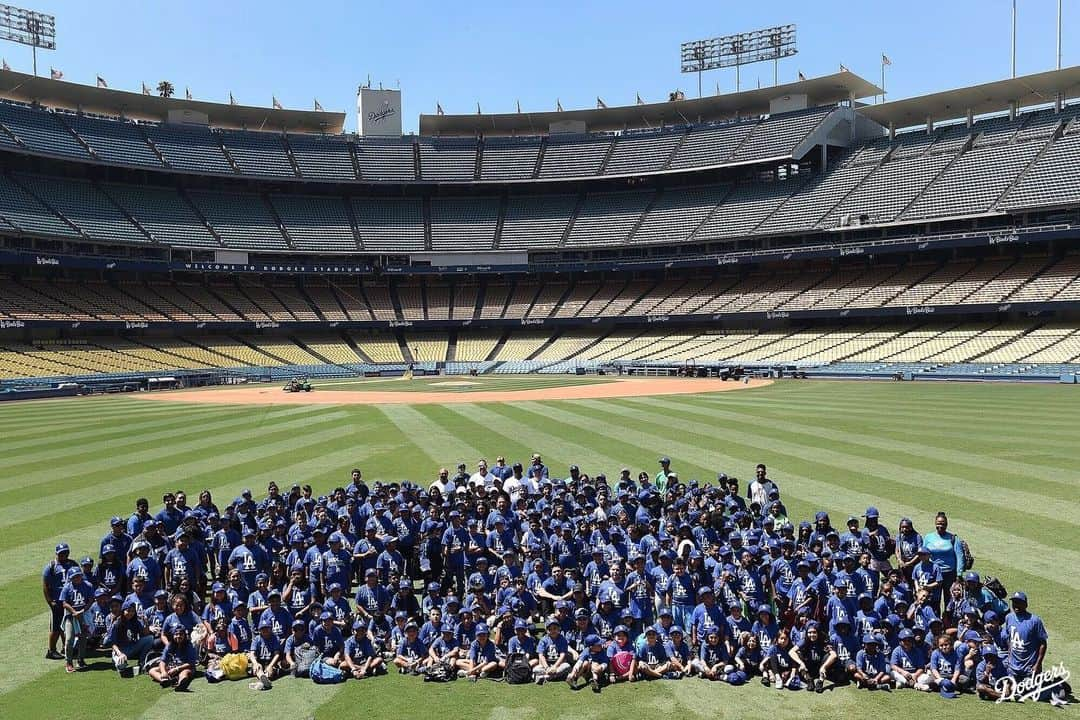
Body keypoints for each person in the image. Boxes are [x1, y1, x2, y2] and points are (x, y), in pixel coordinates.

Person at [921, 513, 965, 614]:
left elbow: (960, 557)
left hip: (949, 574)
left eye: (943, 524)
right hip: (934, 573)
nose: (941, 526)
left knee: (949, 599)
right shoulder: (928, 537)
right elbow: (923, 554)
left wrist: (959, 575)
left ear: (947, 524)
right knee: (934, 599)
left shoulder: (953, 538)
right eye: (938, 523)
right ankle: (935, 621)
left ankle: (948, 621)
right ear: (935, 523)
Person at [43, 542, 75, 660]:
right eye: (61, 553)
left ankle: (65, 647)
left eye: (66, 553)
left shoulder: (72, 564)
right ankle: (51, 650)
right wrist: (50, 602)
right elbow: (45, 586)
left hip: (69, 601)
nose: (64, 555)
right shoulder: (51, 566)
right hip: (57, 602)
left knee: (67, 625)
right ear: (57, 554)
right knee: (55, 628)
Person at [59, 566, 95, 672]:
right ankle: (69, 662)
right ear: (70, 578)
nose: (77, 578)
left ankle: (81, 659)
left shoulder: (88, 585)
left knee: (83, 638)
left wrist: (83, 611)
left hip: (83, 615)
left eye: (79, 576)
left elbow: (91, 599)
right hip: (71, 616)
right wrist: (74, 612)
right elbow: (64, 603)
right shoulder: (67, 588)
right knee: (69, 638)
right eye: (74, 577)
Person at [108, 599, 155, 677]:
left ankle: (142, 661)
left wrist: (146, 623)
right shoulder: (117, 623)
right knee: (121, 666)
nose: (130, 613)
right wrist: (120, 654)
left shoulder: (135, 621)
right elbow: (113, 643)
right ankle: (117, 660)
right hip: (120, 650)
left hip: (132, 646)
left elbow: (145, 635)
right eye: (128, 611)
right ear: (123, 611)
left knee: (149, 638)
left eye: (132, 611)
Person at [149, 623, 197, 691]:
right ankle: (165, 680)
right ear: (172, 635)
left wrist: (177, 669)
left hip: (184, 667)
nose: (178, 636)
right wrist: (163, 672)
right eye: (176, 634)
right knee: (152, 670)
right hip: (171, 667)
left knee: (184, 673)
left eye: (181, 634)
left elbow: (191, 663)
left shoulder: (189, 646)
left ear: (184, 635)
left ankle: (181, 684)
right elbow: (163, 661)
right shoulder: (169, 645)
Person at [249, 618, 283, 688]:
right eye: (263, 629)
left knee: (270, 672)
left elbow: (277, 654)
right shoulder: (257, 639)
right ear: (259, 630)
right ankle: (262, 677)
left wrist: (270, 665)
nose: (265, 631)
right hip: (260, 661)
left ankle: (262, 682)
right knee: (258, 668)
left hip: (270, 661)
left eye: (267, 629)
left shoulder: (275, 638)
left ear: (270, 629)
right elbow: (252, 653)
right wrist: (255, 663)